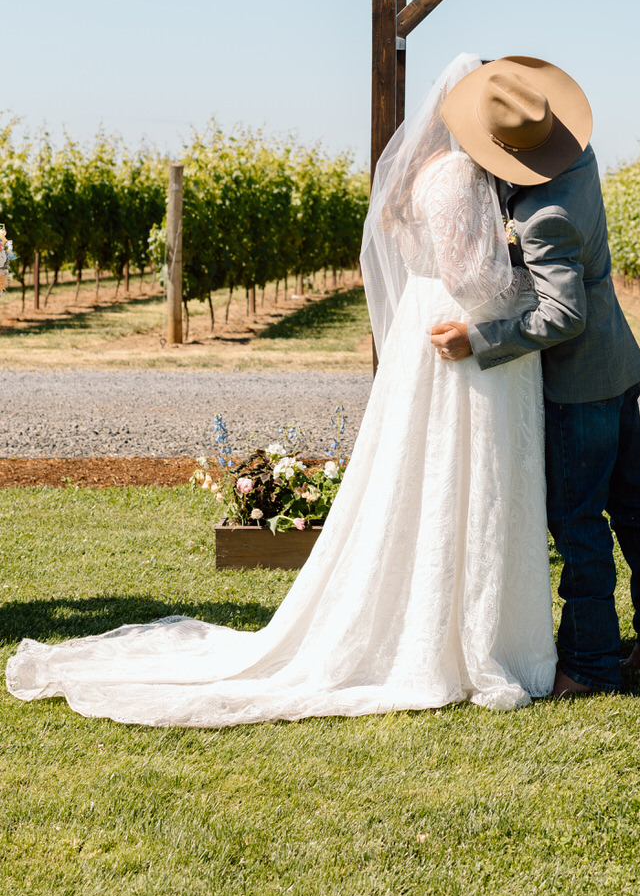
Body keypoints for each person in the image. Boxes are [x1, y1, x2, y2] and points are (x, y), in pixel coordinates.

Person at [6, 54, 557, 725]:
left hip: (429, 322)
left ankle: (445, 623)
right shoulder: (460, 175)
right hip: (459, 332)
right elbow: (471, 278)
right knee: (462, 475)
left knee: (433, 475)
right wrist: (533, 279)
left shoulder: (423, 171)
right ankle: (466, 641)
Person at [429, 55, 640, 696]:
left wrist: (479, 337)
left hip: (580, 379)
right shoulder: (577, 155)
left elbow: (562, 316)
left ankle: (591, 663)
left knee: (577, 522)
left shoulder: (543, 213)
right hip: (616, 364)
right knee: (636, 508)